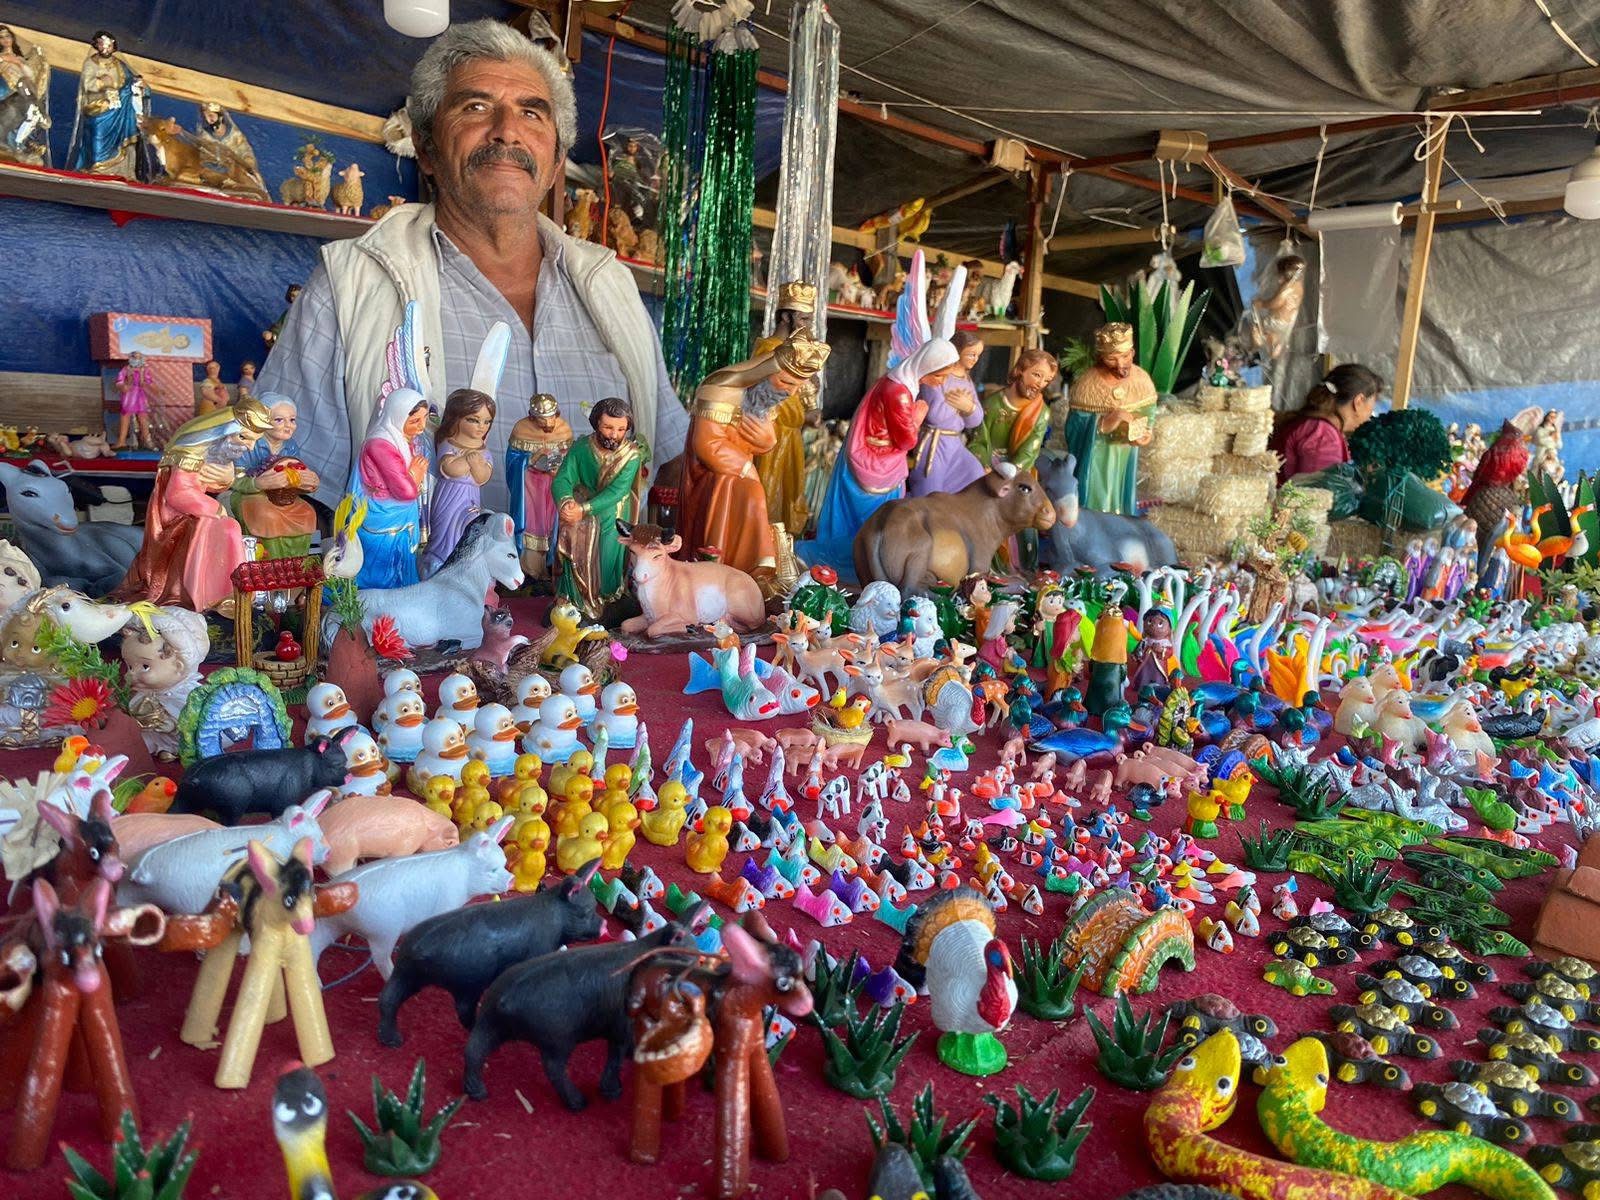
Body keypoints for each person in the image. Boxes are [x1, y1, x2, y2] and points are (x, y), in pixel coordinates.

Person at [255, 20, 687, 513]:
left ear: (555, 159)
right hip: (419, 584)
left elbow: (671, 457)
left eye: (532, 113)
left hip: (596, 580)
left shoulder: (610, 287)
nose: (507, 130)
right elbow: (283, 476)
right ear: (427, 148)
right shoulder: (352, 285)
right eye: (475, 107)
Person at [677, 331, 830, 578]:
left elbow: (760, 438)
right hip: (708, 477)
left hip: (737, 472)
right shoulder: (720, 388)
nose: (790, 393)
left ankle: (748, 568)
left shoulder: (763, 397)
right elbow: (706, 445)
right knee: (747, 491)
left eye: (797, 387)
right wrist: (746, 469)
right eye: (786, 383)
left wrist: (767, 440)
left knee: (750, 494)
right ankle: (731, 565)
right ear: (764, 373)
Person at [113, 397, 271, 613]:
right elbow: (178, 494)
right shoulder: (189, 453)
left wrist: (228, 477)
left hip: (195, 514)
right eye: (244, 437)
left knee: (226, 527)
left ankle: (226, 594)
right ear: (223, 430)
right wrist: (216, 509)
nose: (250, 446)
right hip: (175, 520)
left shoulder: (213, 450)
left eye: (254, 440)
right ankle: (210, 594)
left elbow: (212, 483)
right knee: (228, 527)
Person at [808, 338, 957, 559]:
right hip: (876, 461)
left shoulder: (899, 381)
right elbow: (906, 440)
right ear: (926, 366)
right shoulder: (899, 393)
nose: (942, 382)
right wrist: (918, 415)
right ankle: (857, 558)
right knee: (873, 517)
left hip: (878, 454)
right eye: (939, 375)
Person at [552, 396, 645, 619]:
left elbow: (618, 491)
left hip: (611, 512)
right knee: (572, 543)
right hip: (579, 508)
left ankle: (606, 599)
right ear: (597, 424)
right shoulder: (581, 448)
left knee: (606, 557)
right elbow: (562, 478)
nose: (615, 434)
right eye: (609, 427)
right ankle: (573, 598)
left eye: (621, 429)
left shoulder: (630, 455)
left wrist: (584, 509)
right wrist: (566, 501)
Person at [1063, 323, 1158, 515]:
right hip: (1096, 457)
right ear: (1101, 357)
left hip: (1125, 456)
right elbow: (1073, 427)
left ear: (1132, 352)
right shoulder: (1087, 383)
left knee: (1121, 497)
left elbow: (1148, 412)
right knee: (1097, 500)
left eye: (1125, 356)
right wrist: (1101, 424)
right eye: (1112, 359)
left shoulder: (1141, 379)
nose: (1121, 365)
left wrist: (1146, 433)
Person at [751, 280, 820, 535]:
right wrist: (806, 414)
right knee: (769, 495)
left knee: (788, 495)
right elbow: (779, 396)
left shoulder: (791, 351)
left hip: (788, 437)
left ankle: (780, 552)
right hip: (771, 437)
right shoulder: (770, 351)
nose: (807, 327)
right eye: (803, 319)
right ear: (785, 317)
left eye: (809, 320)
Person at [352, 390, 429, 589]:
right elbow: (405, 491)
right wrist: (414, 475)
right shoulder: (380, 445)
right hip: (384, 516)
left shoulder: (400, 439)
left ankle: (398, 598)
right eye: (415, 421)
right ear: (398, 416)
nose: (422, 427)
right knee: (381, 564)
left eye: (425, 419)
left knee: (400, 563)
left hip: (399, 515)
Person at [231, 393, 320, 559]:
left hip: (282, 498)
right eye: (279, 420)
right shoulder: (249, 443)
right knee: (267, 515)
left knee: (308, 511)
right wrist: (257, 483)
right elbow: (233, 481)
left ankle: (299, 564)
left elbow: (293, 478)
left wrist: (307, 483)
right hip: (249, 494)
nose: (288, 426)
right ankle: (271, 565)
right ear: (263, 421)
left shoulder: (291, 447)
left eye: (292, 420)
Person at [1269, 363, 1383, 484]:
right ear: (1359, 401)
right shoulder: (1323, 435)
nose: (1370, 414)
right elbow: (1318, 496)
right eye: (1373, 404)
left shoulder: (1313, 425)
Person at [425, 388, 496, 573]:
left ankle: (462, 566)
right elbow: (450, 469)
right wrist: (467, 461)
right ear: (456, 418)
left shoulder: (484, 451)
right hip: (448, 496)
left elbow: (482, 478)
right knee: (445, 531)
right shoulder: (448, 443)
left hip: (470, 498)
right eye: (474, 420)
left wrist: (476, 465)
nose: (482, 426)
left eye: (487, 421)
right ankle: (440, 563)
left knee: (467, 528)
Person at [908, 330, 987, 496]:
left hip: (955, 444)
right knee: (929, 487)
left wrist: (969, 407)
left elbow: (975, 420)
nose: (975, 359)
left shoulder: (966, 380)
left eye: (978, 355)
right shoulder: (936, 375)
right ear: (957, 352)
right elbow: (935, 416)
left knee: (975, 474)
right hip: (934, 445)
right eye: (971, 354)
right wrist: (961, 407)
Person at [506, 393, 572, 578]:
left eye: (551, 418)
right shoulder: (521, 429)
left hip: (552, 486)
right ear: (532, 417)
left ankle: (549, 569)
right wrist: (530, 459)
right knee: (529, 525)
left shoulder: (563, 429)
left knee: (551, 525)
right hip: (528, 487)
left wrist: (559, 463)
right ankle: (528, 571)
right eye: (542, 420)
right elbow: (512, 460)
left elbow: (570, 460)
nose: (548, 424)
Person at [67, 30, 144, 179]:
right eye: (102, 44)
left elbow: (131, 81)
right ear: (96, 45)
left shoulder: (120, 64)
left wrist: (138, 84)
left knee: (126, 134)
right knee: (97, 134)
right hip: (98, 107)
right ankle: (98, 166)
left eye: (109, 45)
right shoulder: (91, 63)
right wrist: (103, 82)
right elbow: (87, 83)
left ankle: (123, 170)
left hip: (119, 108)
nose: (105, 48)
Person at [969, 347, 1056, 473]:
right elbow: (978, 441)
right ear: (1020, 370)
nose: (1040, 384)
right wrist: (984, 465)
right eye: (1037, 375)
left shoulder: (1041, 412)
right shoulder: (992, 405)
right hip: (987, 467)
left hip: (1018, 470)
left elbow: (1031, 449)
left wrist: (1014, 469)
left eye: (1047, 380)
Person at [0, 24, 51, 166]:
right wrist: (5, 60)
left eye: (7, 36)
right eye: (1, 37)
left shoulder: (21, 59)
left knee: (25, 84)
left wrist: (18, 62)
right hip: (6, 92)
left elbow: (30, 75)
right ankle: (38, 111)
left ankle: (18, 143)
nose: (5, 40)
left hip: (22, 92)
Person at [114, 351, 153, 450]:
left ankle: (147, 441)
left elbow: (148, 383)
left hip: (140, 396)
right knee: (125, 416)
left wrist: (157, 390)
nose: (135, 360)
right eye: (134, 357)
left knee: (143, 417)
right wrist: (124, 386)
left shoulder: (144, 370)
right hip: (129, 395)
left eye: (138, 358)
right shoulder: (125, 370)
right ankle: (121, 441)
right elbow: (119, 382)